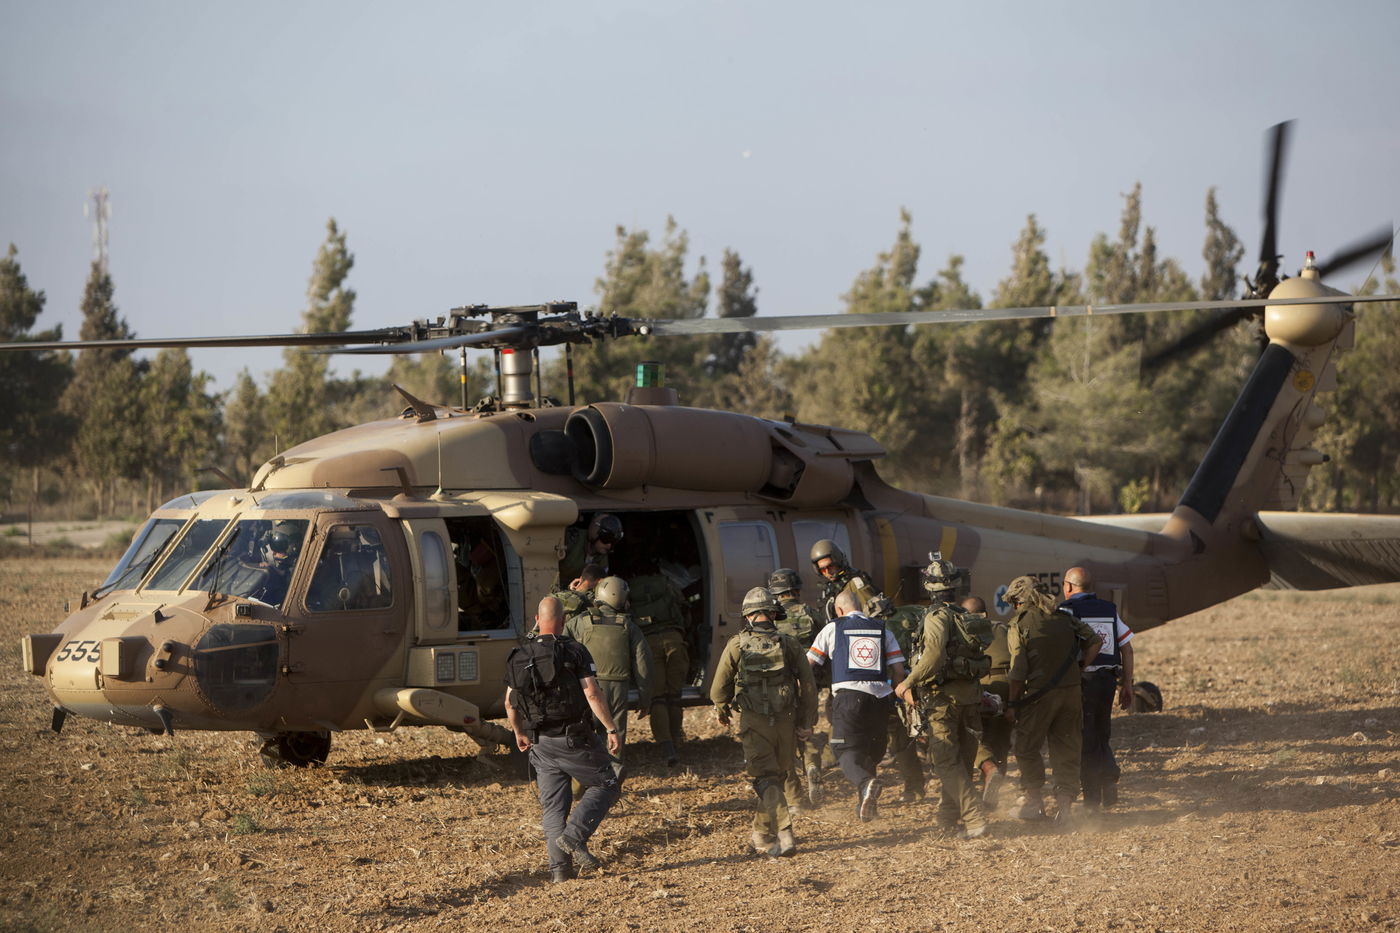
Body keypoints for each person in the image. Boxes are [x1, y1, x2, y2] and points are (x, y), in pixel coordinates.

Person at [504, 597, 623, 883]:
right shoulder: (575, 650)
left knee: (554, 808)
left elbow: (509, 702)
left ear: (537, 619)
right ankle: (574, 837)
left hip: (540, 743)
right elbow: (592, 693)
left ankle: (560, 872)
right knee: (607, 784)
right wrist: (611, 728)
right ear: (564, 621)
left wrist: (519, 732)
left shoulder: (519, 655)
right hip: (574, 740)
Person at [710, 587, 818, 857]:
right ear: (773, 613)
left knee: (765, 779)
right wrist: (807, 721)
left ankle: (785, 831)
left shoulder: (736, 644)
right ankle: (760, 834)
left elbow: (718, 688)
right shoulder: (789, 643)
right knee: (777, 778)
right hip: (786, 721)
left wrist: (722, 709)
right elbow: (808, 685)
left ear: (748, 616)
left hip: (754, 722)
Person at [894, 554, 991, 839]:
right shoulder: (965, 616)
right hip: (969, 698)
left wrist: (907, 682)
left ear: (928, 587)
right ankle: (948, 817)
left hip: (943, 701)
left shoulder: (937, 617)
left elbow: (934, 655)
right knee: (961, 761)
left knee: (946, 761)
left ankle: (974, 819)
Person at [1003, 575, 1102, 828]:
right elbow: (1095, 641)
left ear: (1018, 601)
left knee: (1026, 747)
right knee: (1066, 749)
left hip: (1039, 696)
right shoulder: (1065, 618)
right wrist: (1080, 667)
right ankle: (1065, 810)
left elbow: (1017, 671)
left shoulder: (1019, 624)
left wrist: (1012, 705)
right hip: (1071, 693)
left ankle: (1034, 803)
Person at [806, 590, 906, 822]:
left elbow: (809, 663)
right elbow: (899, 671)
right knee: (870, 752)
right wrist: (897, 697)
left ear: (839, 610)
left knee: (844, 750)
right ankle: (866, 805)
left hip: (849, 697)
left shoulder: (833, 627)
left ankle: (864, 783)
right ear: (861, 607)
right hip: (880, 699)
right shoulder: (883, 628)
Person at [1058, 566, 1135, 809]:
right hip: (1108, 681)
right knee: (1102, 732)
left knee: (1085, 738)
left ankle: (1092, 799)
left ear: (1069, 586)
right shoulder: (1108, 609)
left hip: (1084, 682)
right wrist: (1127, 684)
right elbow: (1127, 649)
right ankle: (1109, 779)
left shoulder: (1067, 610)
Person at [563, 576, 654, 770]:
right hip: (616, 689)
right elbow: (643, 665)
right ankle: (611, 783)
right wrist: (645, 699)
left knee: (583, 739)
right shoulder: (629, 626)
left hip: (585, 687)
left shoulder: (578, 622)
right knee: (615, 741)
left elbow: (562, 653)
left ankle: (583, 782)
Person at [768, 567, 827, 808]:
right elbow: (825, 641)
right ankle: (812, 764)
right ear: (797, 590)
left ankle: (796, 800)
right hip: (809, 681)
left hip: (783, 684)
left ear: (776, 593)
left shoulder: (772, 618)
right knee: (806, 729)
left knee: (785, 739)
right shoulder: (810, 613)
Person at [868, 595, 929, 805]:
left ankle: (913, 788)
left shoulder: (879, 630)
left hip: (895, 688)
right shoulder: (914, 615)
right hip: (921, 684)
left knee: (900, 742)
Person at [629, 566, 691, 766]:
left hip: (648, 642)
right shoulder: (666, 583)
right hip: (674, 639)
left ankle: (667, 748)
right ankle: (677, 739)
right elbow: (684, 606)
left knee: (657, 698)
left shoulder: (629, 588)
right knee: (674, 696)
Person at [967, 595, 1012, 807]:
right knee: (1001, 739)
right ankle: (991, 795)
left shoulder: (964, 631)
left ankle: (988, 767)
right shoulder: (1003, 628)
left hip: (981, 684)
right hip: (1007, 683)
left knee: (973, 735)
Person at [809, 539, 882, 621]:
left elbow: (876, 617)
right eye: (822, 569)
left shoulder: (855, 584)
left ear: (838, 561)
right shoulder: (829, 589)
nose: (827, 572)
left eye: (830, 566)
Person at [558, 512, 623, 585]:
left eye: (613, 542)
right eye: (606, 539)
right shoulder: (572, 539)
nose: (609, 546)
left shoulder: (602, 556)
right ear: (595, 533)